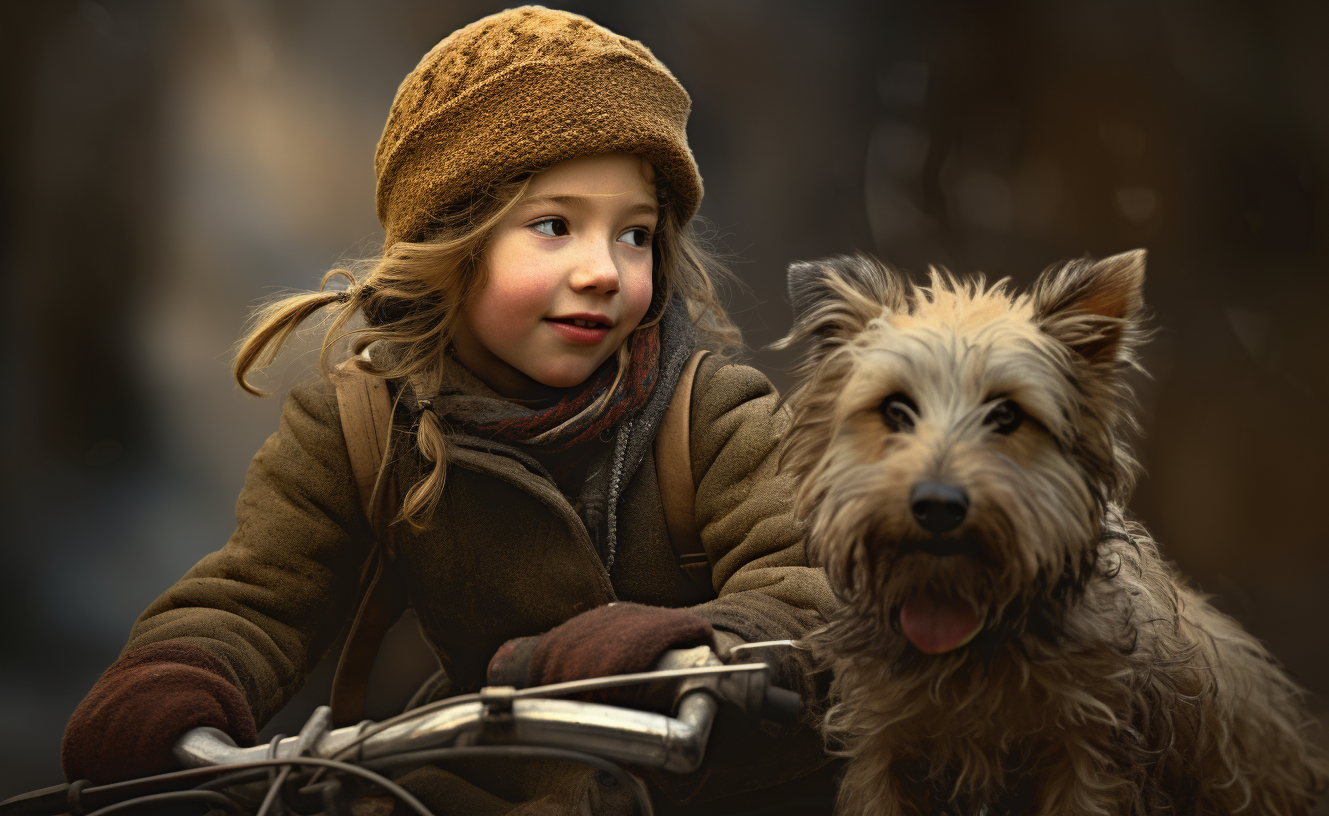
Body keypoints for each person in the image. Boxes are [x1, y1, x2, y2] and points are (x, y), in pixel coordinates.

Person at [60, 7, 838, 814]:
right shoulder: (363, 427)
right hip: (485, 782)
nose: (604, 270)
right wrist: (175, 676)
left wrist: (689, 649)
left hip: (710, 787)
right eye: (554, 226)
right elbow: (256, 594)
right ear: (451, 240)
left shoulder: (706, 411)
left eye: (635, 235)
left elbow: (813, 590)